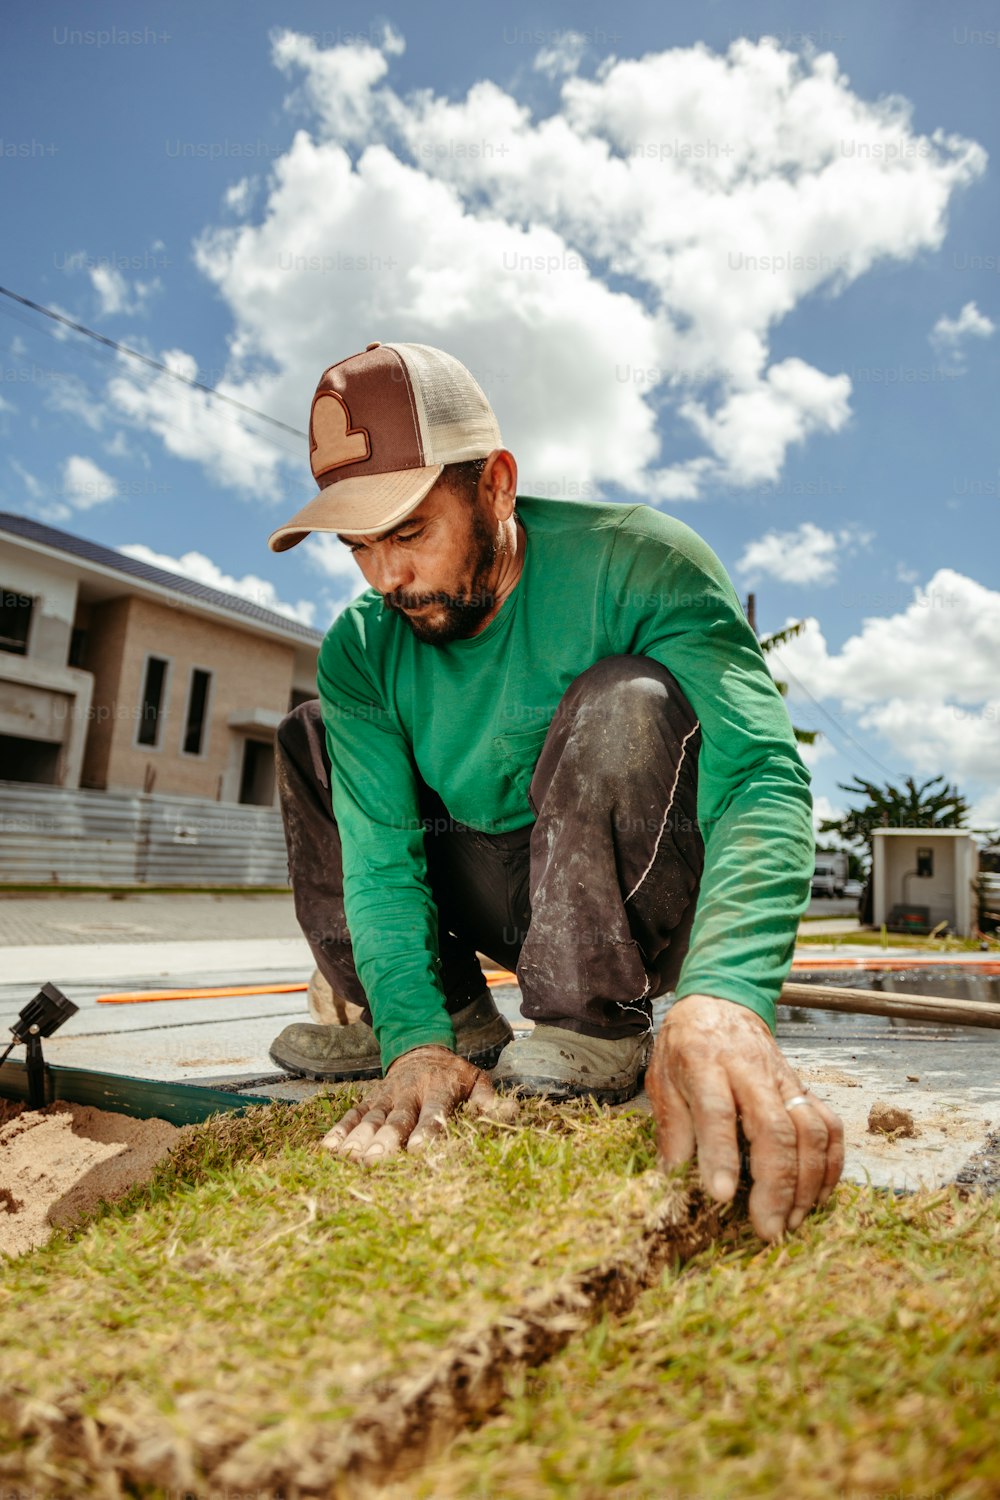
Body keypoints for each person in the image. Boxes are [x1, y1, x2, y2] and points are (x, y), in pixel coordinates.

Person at [267, 341, 844, 1242]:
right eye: (358, 547)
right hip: (482, 882)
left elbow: (760, 779)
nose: (386, 578)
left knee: (624, 698)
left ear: (495, 484)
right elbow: (378, 855)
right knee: (309, 736)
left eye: (410, 533)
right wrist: (414, 1041)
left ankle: (592, 1022)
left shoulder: (636, 561)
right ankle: (450, 1023)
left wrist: (726, 993)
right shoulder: (364, 646)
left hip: (626, 888)